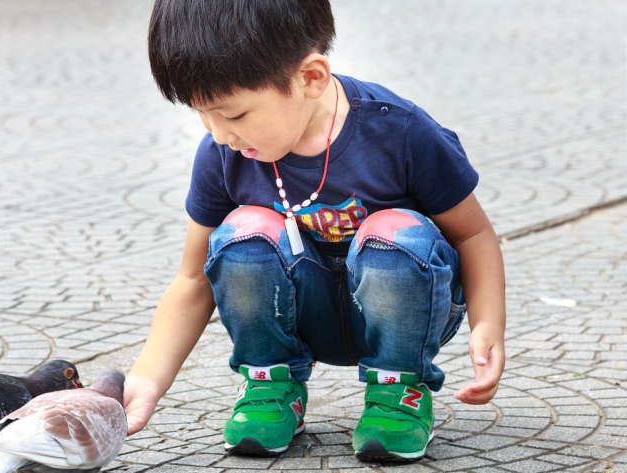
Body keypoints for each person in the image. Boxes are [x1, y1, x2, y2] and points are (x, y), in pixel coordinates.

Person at [124, 0, 506, 464]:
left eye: (235, 115)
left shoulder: (401, 132)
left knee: (393, 231)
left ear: (311, 78)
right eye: (202, 115)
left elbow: (472, 235)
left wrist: (489, 324)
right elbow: (191, 279)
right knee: (244, 232)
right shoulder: (224, 154)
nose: (220, 134)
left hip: (403, 310)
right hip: (300, 312)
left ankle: (398, 392)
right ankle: (270, 384)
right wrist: (146, 378)